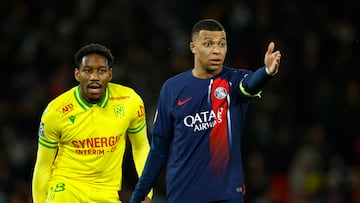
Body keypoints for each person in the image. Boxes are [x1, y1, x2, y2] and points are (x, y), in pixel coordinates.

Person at [130, 19, 282, 203]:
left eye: (222, 44)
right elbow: (158, 150)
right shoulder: (172, 88)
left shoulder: (234, 80)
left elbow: (250, 85)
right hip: (182, 195)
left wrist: (267, 72)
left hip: (226, 196)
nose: (217, 50)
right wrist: (139, 195)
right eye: (208, 44)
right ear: (193, 47)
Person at [32, 43, 152, 203]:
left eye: (101, 71)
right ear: (77, 74)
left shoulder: (130, 101)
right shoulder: (56, 111)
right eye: (87, 70)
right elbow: (43, 165)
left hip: (106, 193)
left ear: (110, 74)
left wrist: (147, 190)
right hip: (66, 189)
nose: (94, 77)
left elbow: (141, 147)